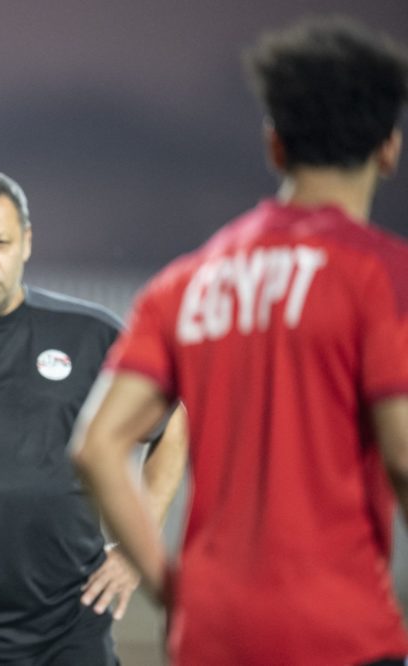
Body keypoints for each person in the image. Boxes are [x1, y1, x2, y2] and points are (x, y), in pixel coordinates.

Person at [72, 16, 408, 666]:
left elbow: (96, 444)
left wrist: (172, 586)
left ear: (275, 144)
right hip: (340, 633)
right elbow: (402, 453)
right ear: (389, 147)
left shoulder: (187, 283)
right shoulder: (381, 275)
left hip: (213, 634)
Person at [0, 168, 187, 666]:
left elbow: (171, 425)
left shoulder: (90, 335)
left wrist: (137, 546)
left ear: (26, 243)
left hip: (69, 627)